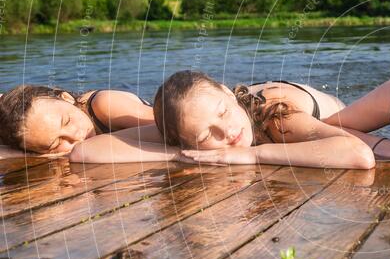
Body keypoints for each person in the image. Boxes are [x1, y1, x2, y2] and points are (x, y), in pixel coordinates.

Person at [69, 70, 374, 170]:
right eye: (205, 135)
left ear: (228, 94)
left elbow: (360, 154)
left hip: (333, 110)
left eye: (223, 113)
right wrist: (192, 153)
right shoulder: (194, 123)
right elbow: (86, 152)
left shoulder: (277, 120)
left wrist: (251, 155)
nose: (227, 132)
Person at [0, 85, 153, 158]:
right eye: (56, 143)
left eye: (67, 121)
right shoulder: (31, 135)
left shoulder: (104, 105)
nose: (75, 135)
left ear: (67, 98)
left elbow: (171, 127)